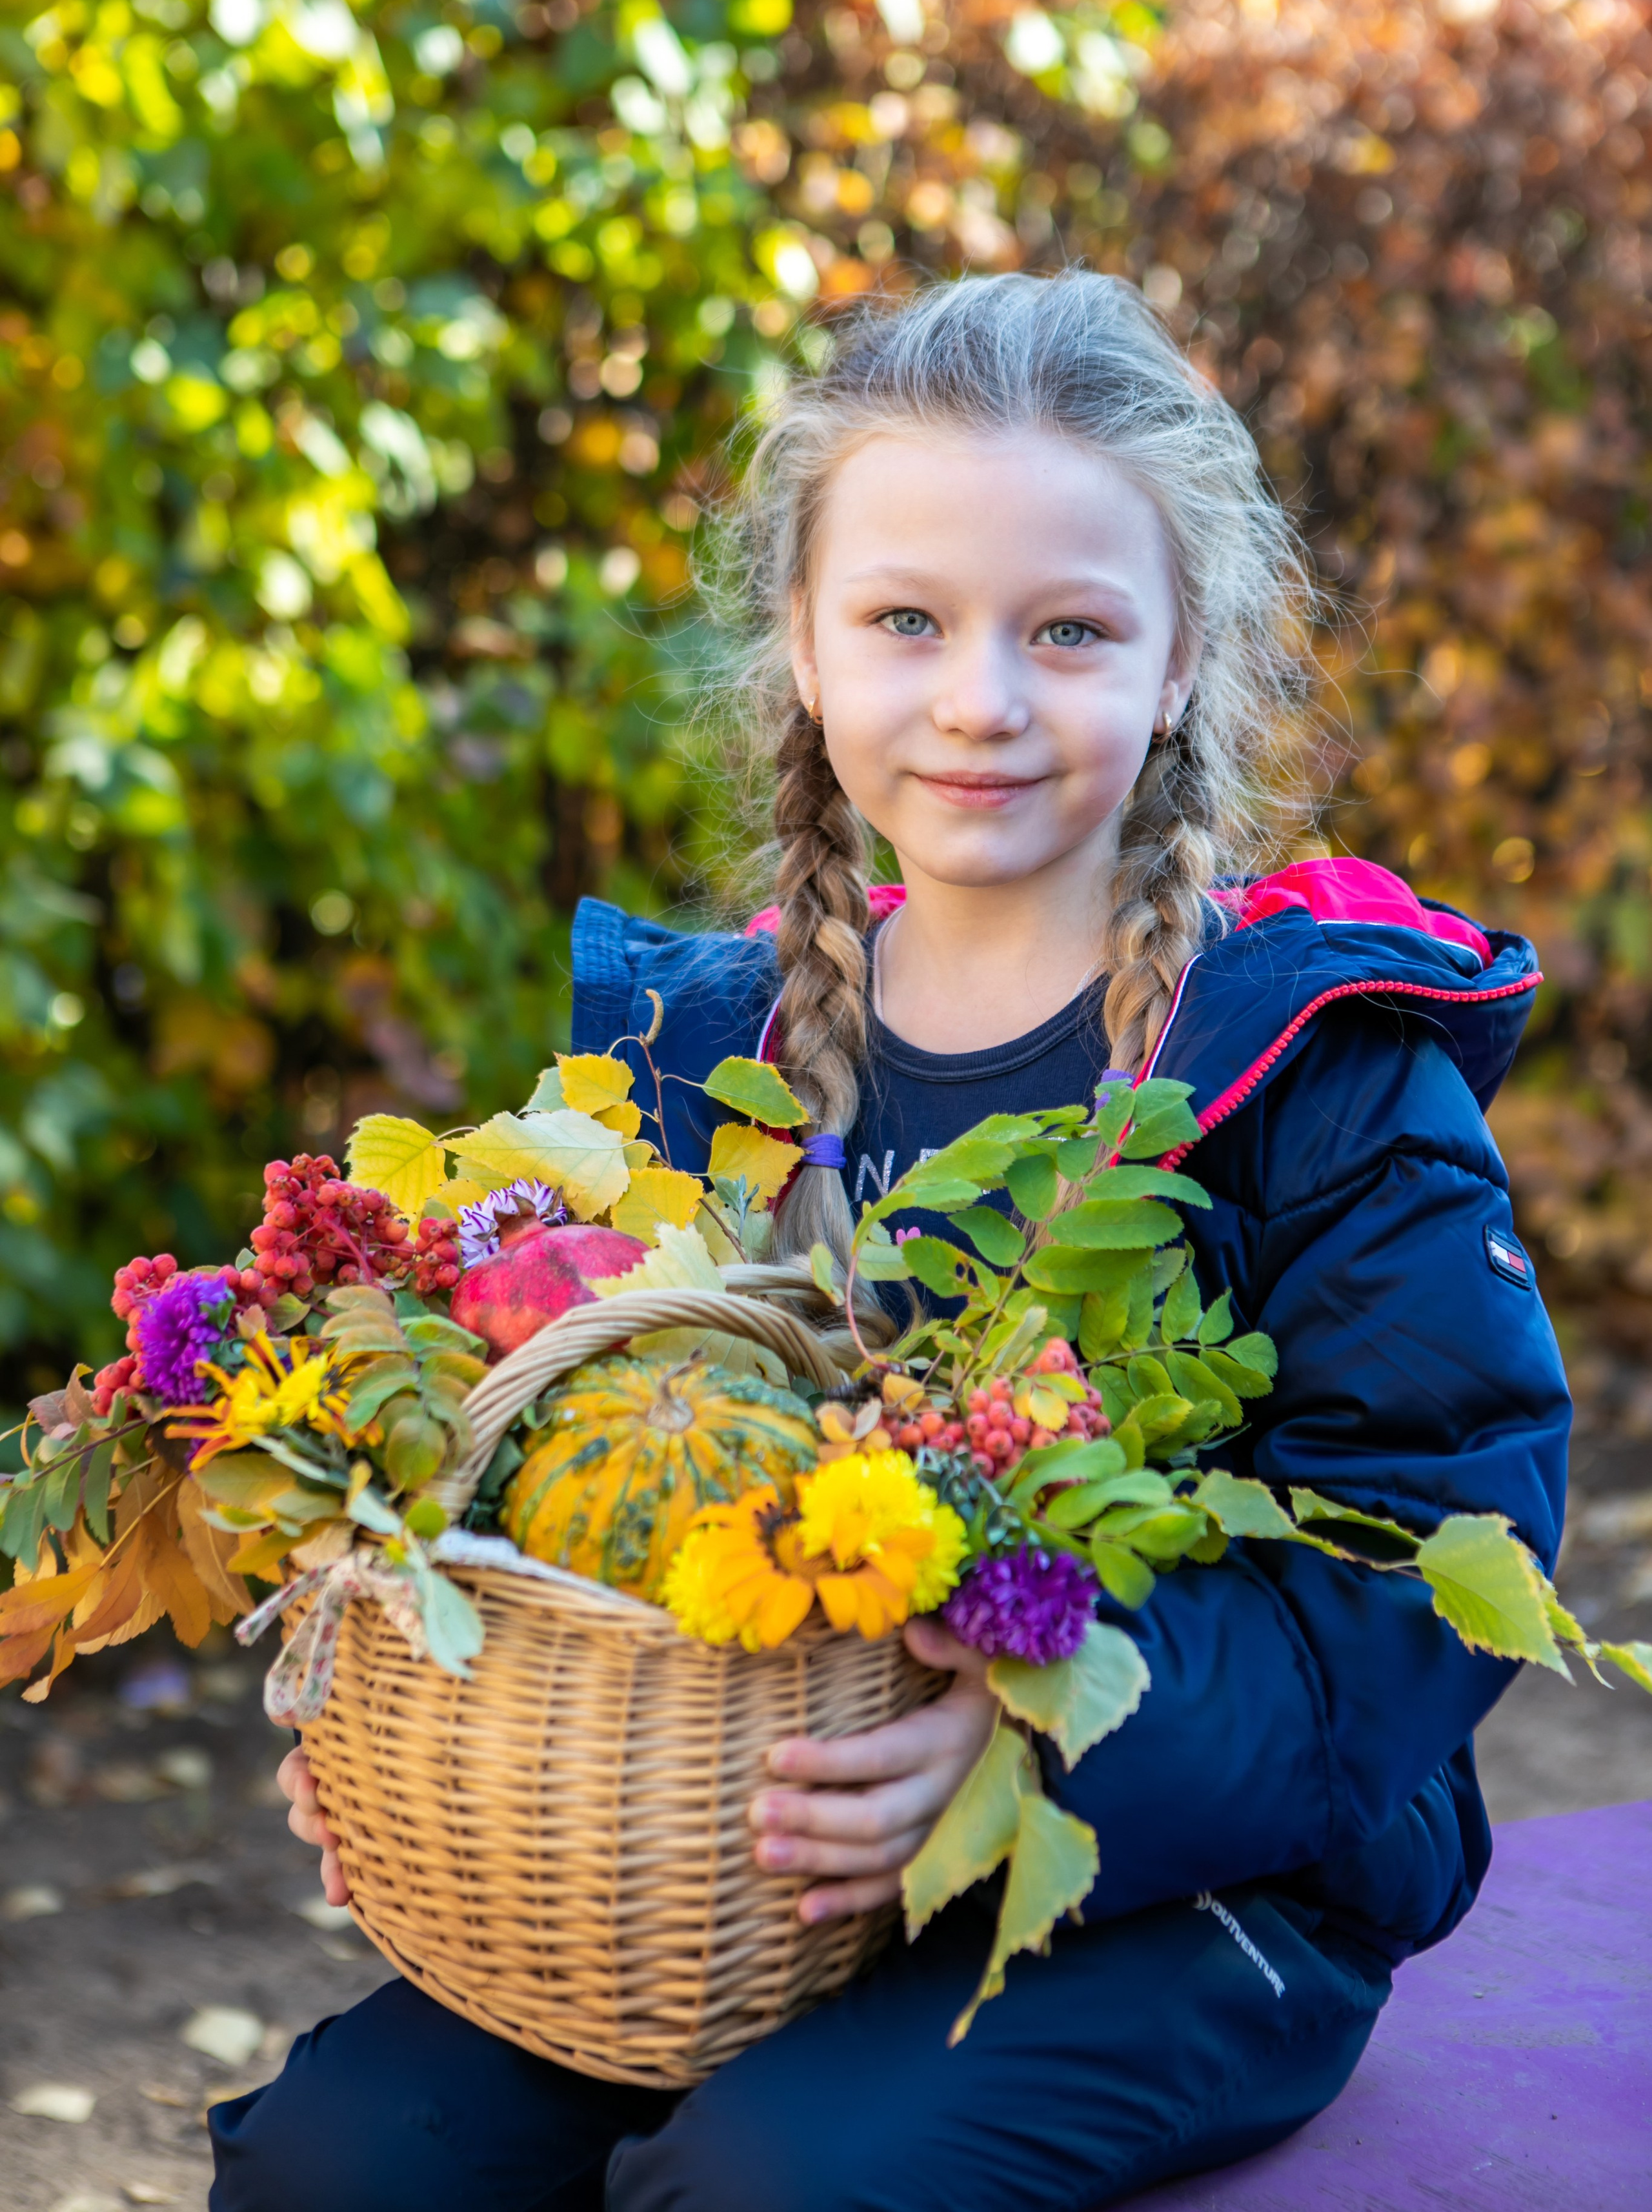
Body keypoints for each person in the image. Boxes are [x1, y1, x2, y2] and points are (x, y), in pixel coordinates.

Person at [211, 272, 1569, 2212]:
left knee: (777, 2187)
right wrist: (426, 1737)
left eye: (1072, 630)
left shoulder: (1316, 1071)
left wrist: (1036, 1747)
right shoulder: (690, 1072)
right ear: (807, 647)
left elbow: (1420, 1553)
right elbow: (521, 1479)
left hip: (1195, 1879)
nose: (981, 699)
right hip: (735, 1871)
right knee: (346, 2165)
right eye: (908, 620)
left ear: (1182, 660)